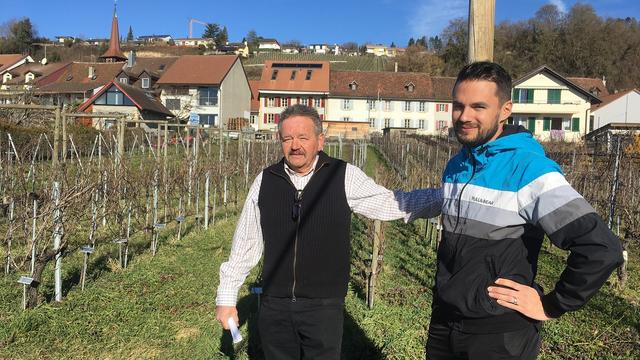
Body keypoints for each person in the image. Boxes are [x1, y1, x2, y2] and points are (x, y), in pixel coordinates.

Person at [425, 61, 624, 359]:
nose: (464, 116)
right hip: (444, 322)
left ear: (505, 110)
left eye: (478, 106)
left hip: (498, 335)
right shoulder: (457, 166)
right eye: (458, 105)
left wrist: (551, 305)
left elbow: (600, 248)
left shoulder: (529, 170)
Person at [215, 104, 441, 359]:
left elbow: (392, 203)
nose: (295, 145)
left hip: (323, 306)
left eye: (303, 137)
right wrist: (226, 296)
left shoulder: (343, 176)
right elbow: (246, 242)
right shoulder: (265, 180)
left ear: (320, 141)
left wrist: (447, 198)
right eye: (287, 138)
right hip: (274, 304)